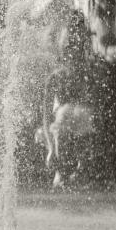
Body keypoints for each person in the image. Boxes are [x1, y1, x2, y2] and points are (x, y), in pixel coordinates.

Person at [40, 11, 95, 189]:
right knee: (64, 116)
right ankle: (61, 171)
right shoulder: (55, 77)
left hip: (80, 122)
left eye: (78, 45)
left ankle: (80, 170)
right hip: (61, 125)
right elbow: (46, 116)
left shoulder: (89, 75)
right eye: (70, 45)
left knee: (77, 116)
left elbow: (96, 109)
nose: (74, 50)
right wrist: (50, 148)